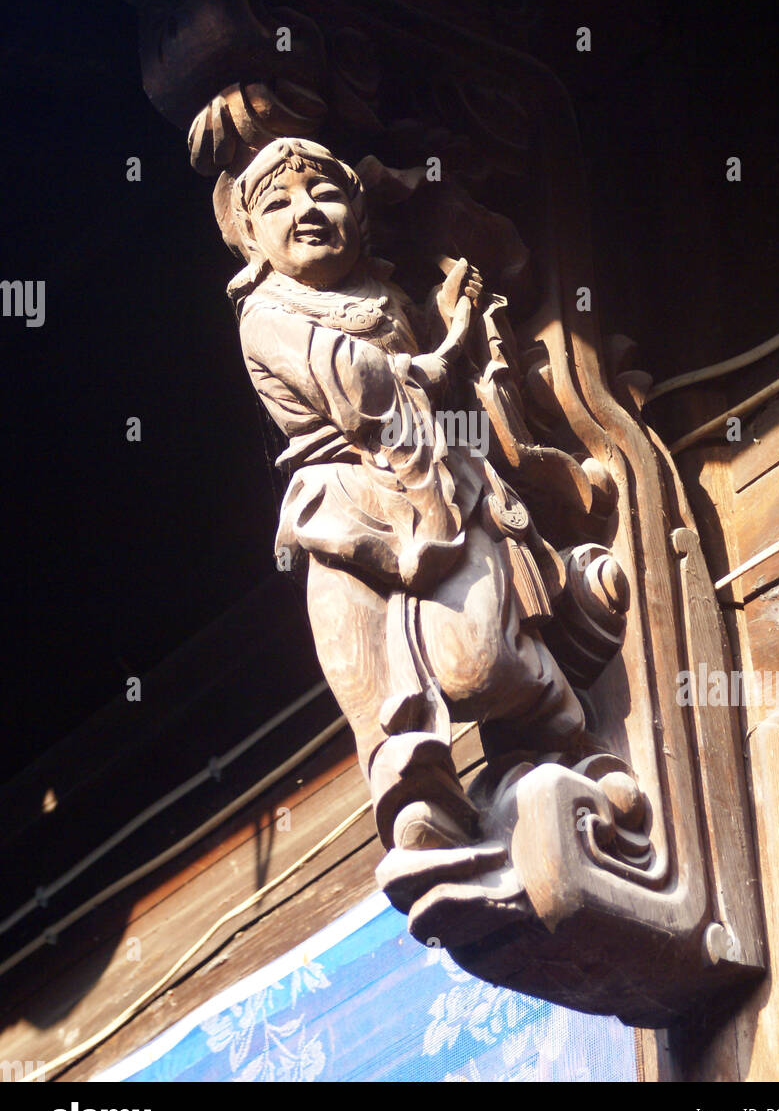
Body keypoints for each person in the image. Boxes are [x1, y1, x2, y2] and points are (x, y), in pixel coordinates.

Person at [228, 137, 588, 868]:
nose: (307, 211)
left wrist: (447, 321)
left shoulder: (383, 296)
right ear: (250, 236)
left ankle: (553, 711)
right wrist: (444, 349)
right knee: (370, 692)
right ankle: (419, 808)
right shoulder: (265, 314)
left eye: (325, 193)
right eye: (280, 202)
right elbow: (364, 390)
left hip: (442, 490)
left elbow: (430, 386)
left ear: (359, 214)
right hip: (340, 509)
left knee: (477, 668)